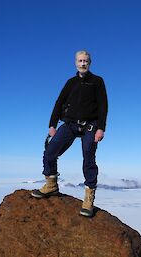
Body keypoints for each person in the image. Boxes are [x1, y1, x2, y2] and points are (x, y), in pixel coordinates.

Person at [32, 50, 108, 217]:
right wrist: (52, 124)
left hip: (90, 125)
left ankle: (88, 198)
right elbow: (59, 103)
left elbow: (103, 105)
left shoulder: (97, 81)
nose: (83, 64)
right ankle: (51, 185)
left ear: (90, 63)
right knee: (50, 152)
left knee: (88, 157)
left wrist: (101, 128)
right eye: (80, 61)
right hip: (70, 124)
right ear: (75, 62)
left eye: (85, 61)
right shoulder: (70, 82)